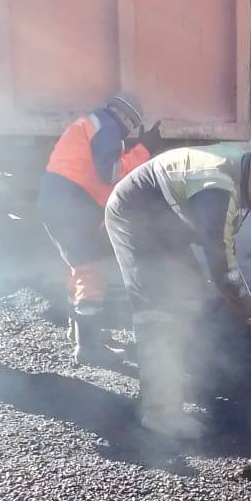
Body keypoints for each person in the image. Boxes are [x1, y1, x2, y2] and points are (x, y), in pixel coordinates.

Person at [104, 139, 251, 440]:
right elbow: (222, 265)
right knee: (159, 311)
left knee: (190, 293)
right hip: (134, 217)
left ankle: (184, 373)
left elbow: (224, 244)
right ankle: (159, 413)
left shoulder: (241, 176)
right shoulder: (217, 187)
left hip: (168, 220)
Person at [38, 92, 165, 364]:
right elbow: (110, 173)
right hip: (70, 204)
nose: (130, 130)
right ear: (126, 118)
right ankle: (89, 349)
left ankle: (81, 337)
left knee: (79, 269)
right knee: (90, 273)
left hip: (60, 201)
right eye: (132, 124)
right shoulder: (106, 127)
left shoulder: (92, 124)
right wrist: (144, 149)